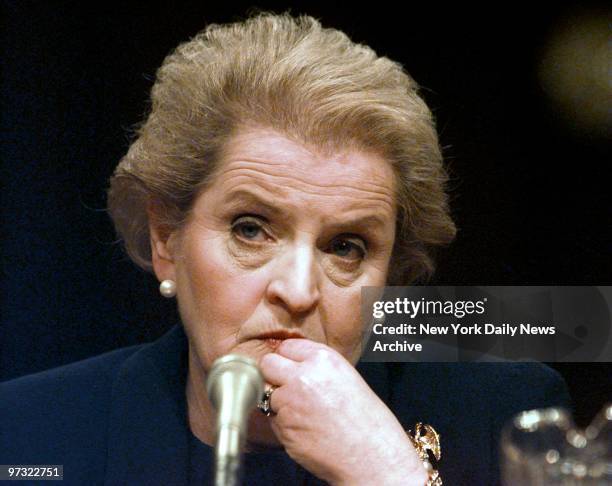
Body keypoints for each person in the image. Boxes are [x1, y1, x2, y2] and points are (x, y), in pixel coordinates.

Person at [0, 12, 570, 485]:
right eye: (251, 229)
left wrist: (388, 473)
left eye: (346, 246)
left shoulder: (504, 421)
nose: (298, 291)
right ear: (165, 238)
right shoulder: (30, 432)